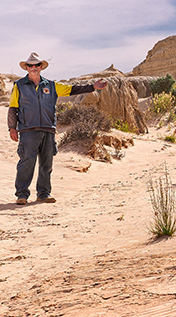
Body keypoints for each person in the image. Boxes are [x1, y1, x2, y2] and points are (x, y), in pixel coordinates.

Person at [8, 52, 107, 204]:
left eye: (36, 65)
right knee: (26, 162)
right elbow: (13, 108)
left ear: (41, 67)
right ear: (26, 68)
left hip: (48, 129)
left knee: (46, 164)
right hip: (28, 131)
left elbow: (72, 89)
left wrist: (92, 87)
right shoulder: (19, 86)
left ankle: (43, 193)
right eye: (30, 65)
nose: (34, 67)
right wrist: (12, 128)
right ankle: (22, 194)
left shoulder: (52, 86)